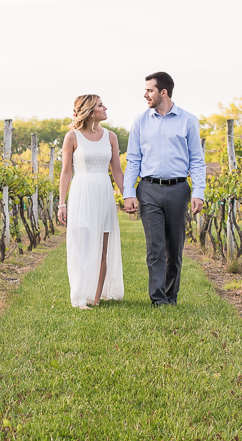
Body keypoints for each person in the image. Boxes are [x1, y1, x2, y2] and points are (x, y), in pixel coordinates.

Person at [122, 72, 205, 306]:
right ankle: (158, 299)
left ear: (163, 92)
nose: (145, 94)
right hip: (148, 189)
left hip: (179, 189)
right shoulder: (140, 121)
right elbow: (133, 160)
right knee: (155, 247)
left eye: (149, 90)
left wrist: (198, 192)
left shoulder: (189, 120)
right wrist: (129, 193)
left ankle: (171, 296)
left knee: (174, 248)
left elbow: (197, 160)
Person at [57, 95, 125, 309]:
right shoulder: (72, 137)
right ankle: (79, 295)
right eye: (100, 105)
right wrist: (61, 203)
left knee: (103, 247)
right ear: (88, 110)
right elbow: (66, 172)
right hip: (81, 192)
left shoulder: (111, 137)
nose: (105, 108)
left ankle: (96, 297)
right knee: (82, 246)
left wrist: (126, 195)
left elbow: (117, 170)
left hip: (103, 191)